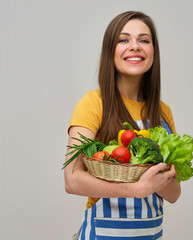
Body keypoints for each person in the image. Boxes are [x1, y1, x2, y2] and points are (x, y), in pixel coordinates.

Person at [64, 11, 181, 240]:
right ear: (110, 51)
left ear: (153, 53)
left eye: (144, 40)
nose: (135, 46)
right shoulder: (93, 104)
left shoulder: (163, 112)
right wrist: (136, 189)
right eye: (123, 39)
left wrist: (157, 180)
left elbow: (174, 194)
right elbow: (72, 179)